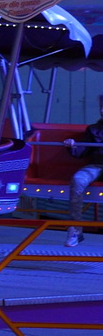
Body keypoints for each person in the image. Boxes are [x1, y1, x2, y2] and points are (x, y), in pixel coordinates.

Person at [63, 97, 103, 248]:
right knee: (78, 179)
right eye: (101, 107)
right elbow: (82, 151)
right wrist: (72, 145)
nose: (102, 110)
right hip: (97, 166)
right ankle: (75, 228)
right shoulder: (93, 129)